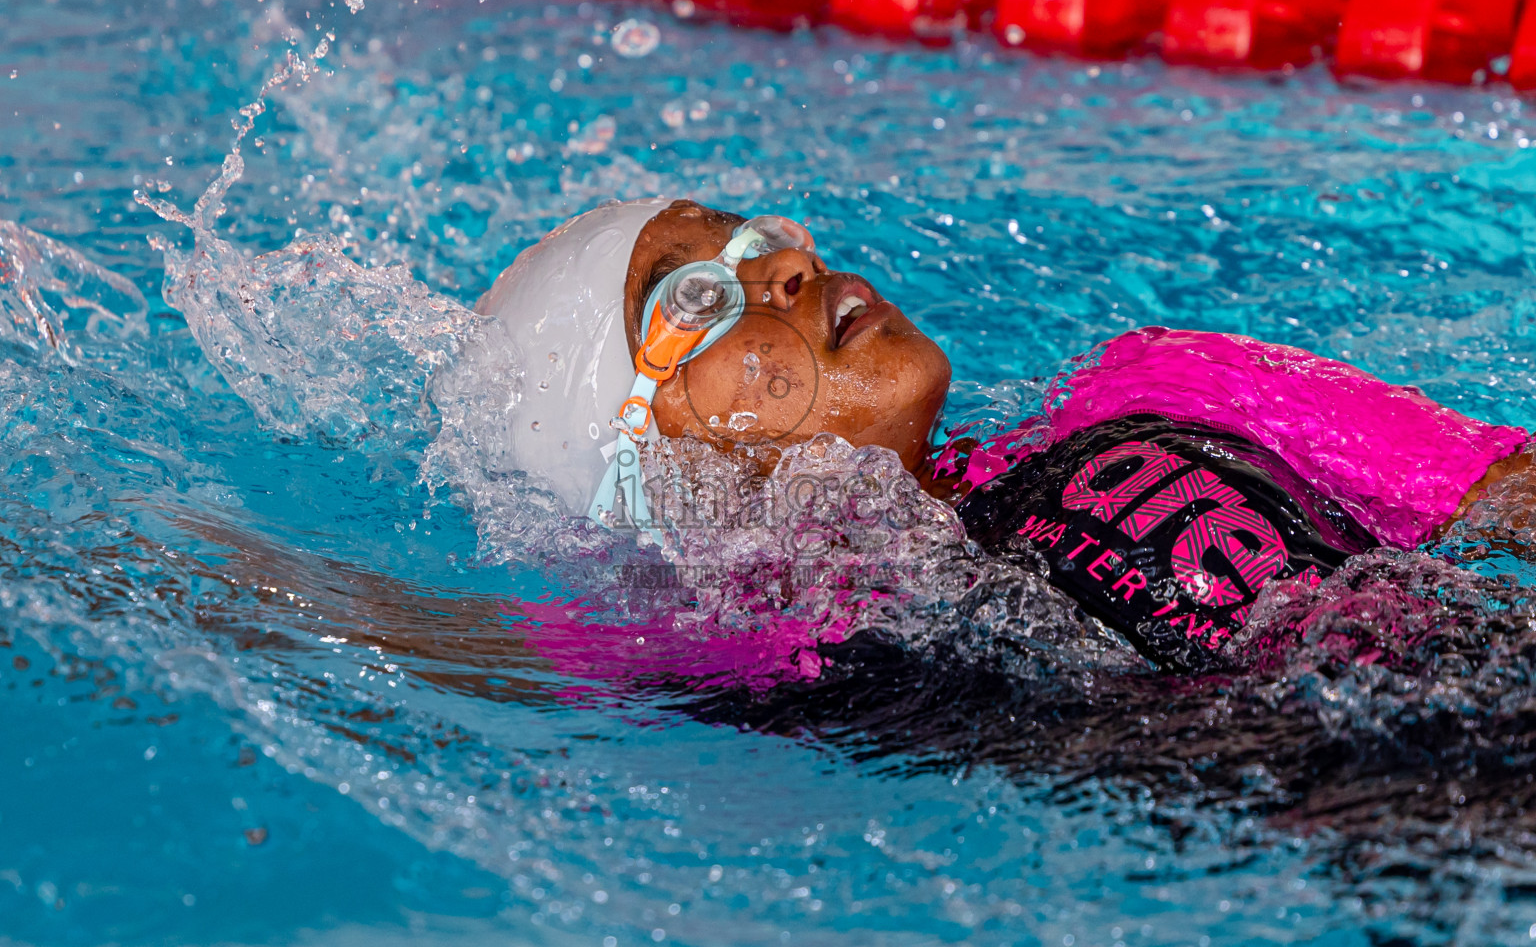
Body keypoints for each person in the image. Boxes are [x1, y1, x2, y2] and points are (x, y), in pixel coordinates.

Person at [474, 197, 1531, 672]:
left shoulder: (1161, 380)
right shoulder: (765, 634)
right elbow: (443, 661)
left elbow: (1514, 498)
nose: (786, 268)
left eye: (749, 237)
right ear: (653, 460)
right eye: (698, 295)